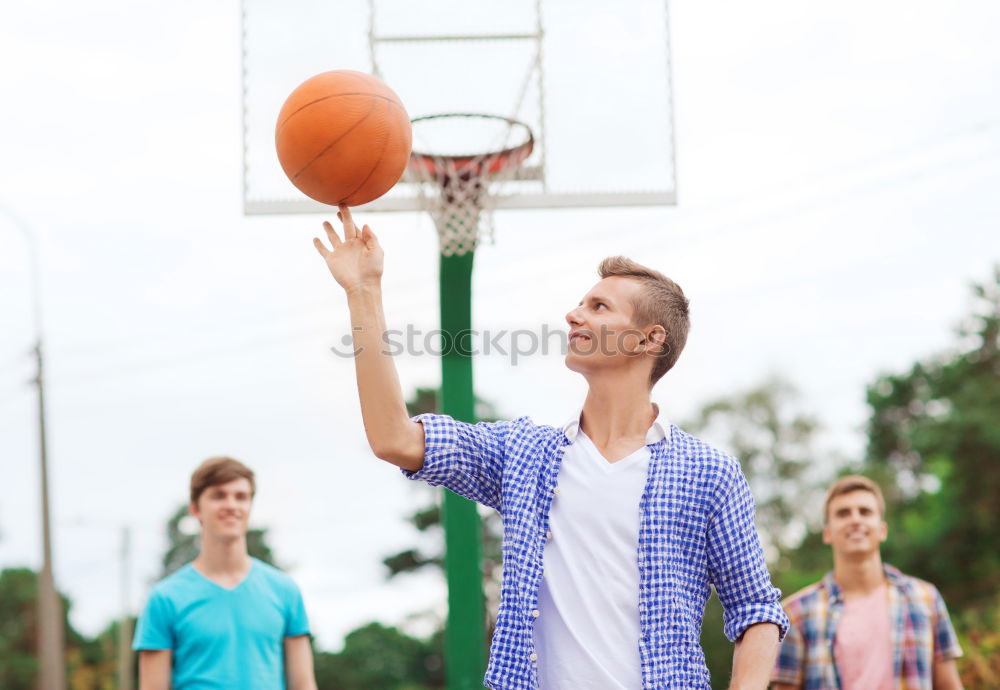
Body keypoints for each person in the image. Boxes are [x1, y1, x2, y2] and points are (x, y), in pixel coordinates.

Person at [313, 206, 788, 690]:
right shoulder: (523, 453)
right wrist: (363, 292)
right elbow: (394, 437)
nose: (573, 314)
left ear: (650, 338)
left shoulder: (708, 472)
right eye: (582, 304)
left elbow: (756, 610)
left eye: (599, 307)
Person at [133, 457, 316, 690]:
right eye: (219, 495)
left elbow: (303, 685)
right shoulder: (165, 598)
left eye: (241, 497)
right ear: (195, 509)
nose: (231, 505)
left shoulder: (284, 590)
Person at [771, 475, 964, 690]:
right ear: (827, 533)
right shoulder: (795, 613)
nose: (855, 520)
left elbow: (949, 685)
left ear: (882, 529)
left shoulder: (926, 598)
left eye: (865, 511)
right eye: (843, 513)